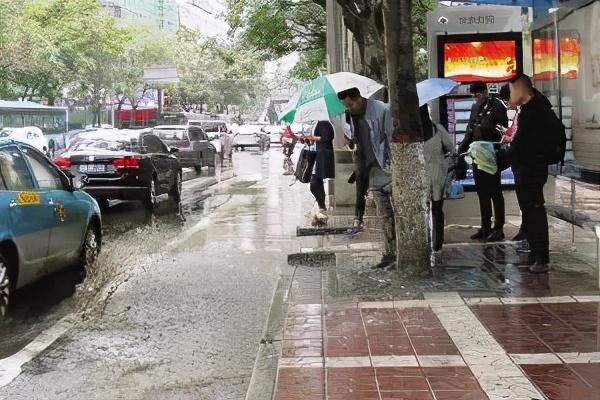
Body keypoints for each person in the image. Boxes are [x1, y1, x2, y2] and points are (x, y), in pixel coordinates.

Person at [337, 87, 396, 269]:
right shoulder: (352, 116)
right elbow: (360, 140)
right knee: (385, 215)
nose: (349, 108)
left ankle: (394, 252)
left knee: (394, 215)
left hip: (386, 169)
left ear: (359, 98)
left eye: (350, 104)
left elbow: (391, 139)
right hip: (370, 172)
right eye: (346, 106)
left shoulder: (382, 111)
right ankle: (389, 253)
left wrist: (392, 167)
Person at [507, 74, 553, 273]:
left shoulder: (537, 111)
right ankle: (535, 254)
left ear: (520, 89)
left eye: (510, 90)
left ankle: (541, 258)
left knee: (535, 212)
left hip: (532, 169)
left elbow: (524, 143)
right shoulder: (527, 110)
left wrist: (504, 157)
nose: (509, 95)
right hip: (525, 169)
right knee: (530, 212)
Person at [458, 82, 508, 242]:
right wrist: (461, 148)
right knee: (482, 192)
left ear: (485, 92)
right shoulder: (475, 108)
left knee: (495, 191)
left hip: (491, 153)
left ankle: (498, 227)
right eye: (472, 95)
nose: (475, 98)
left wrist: (485, 125)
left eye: (477, 95)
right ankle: (485, 226)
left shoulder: (496, 106)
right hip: (476, 153)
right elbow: (469, 130)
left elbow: (502, 130)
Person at [421, 105, 454, 252]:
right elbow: (451, 148)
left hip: (421, 175)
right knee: (437, 209)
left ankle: (426, 240)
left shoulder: (411, 133)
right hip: (438, 174)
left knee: (423, 210)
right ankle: (437, 242)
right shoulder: (437, 129)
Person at [303, 121, 335, 224]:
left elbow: (326, 138)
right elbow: (318, 139)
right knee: (317, 181)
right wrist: (310, 140)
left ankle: (322, 206)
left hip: (323, 156)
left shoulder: (324, 123)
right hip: (318, 155)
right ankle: (321, 207)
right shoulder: (317, 124)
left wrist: (312, 138)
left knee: (314, 183)